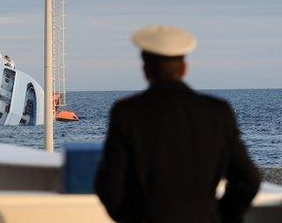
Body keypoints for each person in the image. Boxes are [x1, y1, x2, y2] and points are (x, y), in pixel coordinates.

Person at [94, 25, 261, 223]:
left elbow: (108, 185)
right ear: (184, 69)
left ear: (146, 69)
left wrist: (135, 217)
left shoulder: (127, 113)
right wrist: (218, 216)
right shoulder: (218, 112)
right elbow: (248, 179)